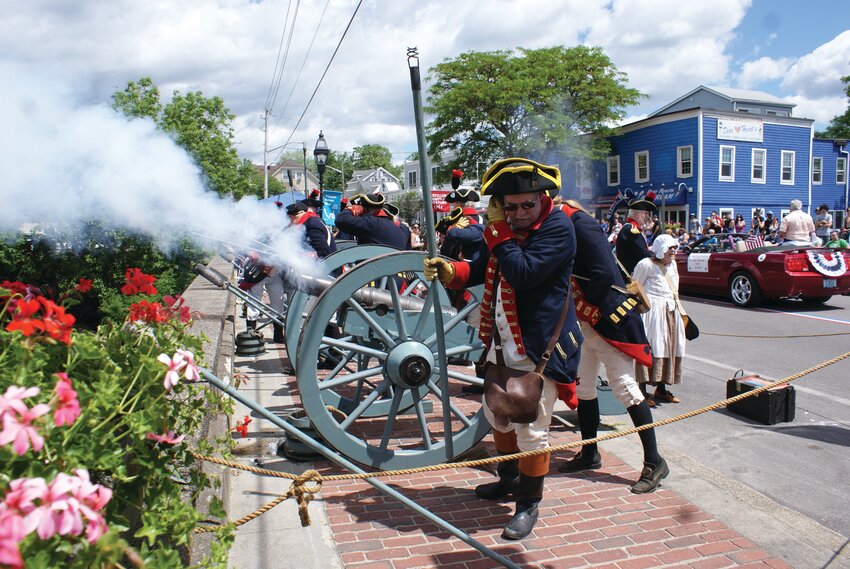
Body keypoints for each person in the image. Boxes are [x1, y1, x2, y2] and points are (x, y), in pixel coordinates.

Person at [423, 158, 582, 540]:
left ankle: (528, 503)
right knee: (500, 418)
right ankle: (508, 477)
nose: (519, 213)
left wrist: (497, 231)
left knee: (532, 432)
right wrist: (450, 271)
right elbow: (482, 268)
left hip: (539, 348)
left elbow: (522, 273)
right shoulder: (505, 232)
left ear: (542, 198)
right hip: (500, 343)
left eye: (526, 205)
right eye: (509, 207)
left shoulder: (559, 226)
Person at [555, 200, 668, 493]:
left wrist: (583, 307)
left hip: (608, 319)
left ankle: (654, 462)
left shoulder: (581, 224)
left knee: (625, 389)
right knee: (584, 389)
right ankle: (590, 452)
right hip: (586, 322)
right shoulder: (563, 222)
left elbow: (603, 273)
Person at [633, 234, 686, 406]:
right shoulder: (645, 265)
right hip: (652, 314)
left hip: (670, 311)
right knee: (652, 349)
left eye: (675, 248)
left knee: (668, 349)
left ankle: (661, 389)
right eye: (670, 248)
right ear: (661, 249)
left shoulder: (673, 265)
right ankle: (642, 391)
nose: (674, 252)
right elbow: (635, 288)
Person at [334, 192, 411, 249]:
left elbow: (341, 219)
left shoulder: (370, 223)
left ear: (364, 210)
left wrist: (352, 209)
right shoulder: (401, 228)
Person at [240, 251, 286, 343]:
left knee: (278, 304)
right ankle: (251, 335)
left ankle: (278, 335)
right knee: (254, 303)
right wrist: (251, 252)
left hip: (275, 273)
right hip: (257, 271)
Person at [615, 193, 657, 276]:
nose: (648, 217)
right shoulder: (631, 229)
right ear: (636, 214)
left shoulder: (633, 228)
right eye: (645, 213)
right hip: (629, 277)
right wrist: (660, 257)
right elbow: (643, 253)